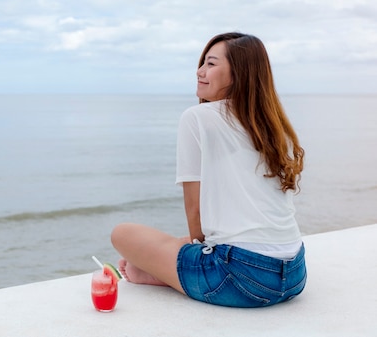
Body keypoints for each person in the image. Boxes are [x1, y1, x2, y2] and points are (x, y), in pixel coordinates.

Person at [111, 32, 307, 308]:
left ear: (238, 73)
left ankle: (166, 274)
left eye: (211, 64)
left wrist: (190, 246)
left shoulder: (197, 118)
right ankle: (165, 271)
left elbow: (196, 213)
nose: (199, 71)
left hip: (241, 278)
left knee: (123, 233)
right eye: (203, 63)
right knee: (178, 245)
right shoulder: (273, 127)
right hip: (295, 273)